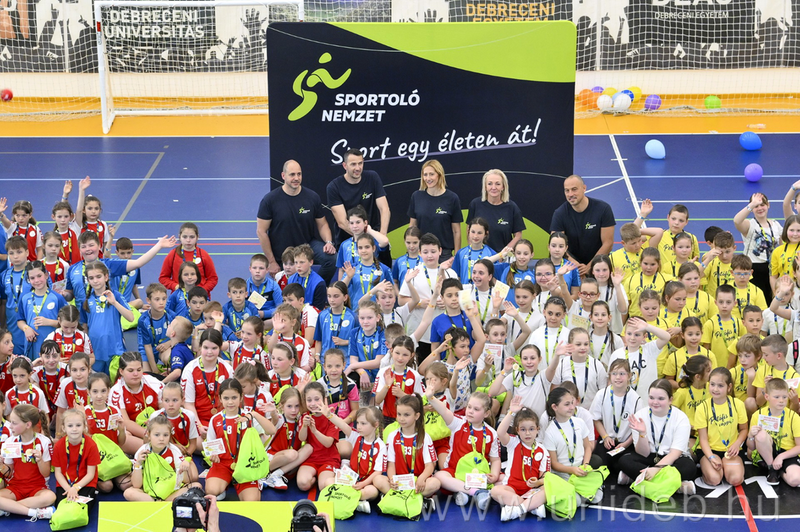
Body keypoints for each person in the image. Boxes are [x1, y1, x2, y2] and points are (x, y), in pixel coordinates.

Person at [256, 160, 336, 282]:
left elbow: (323, 224)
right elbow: (261, 232)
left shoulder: (312, 197)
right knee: (287, 290)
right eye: (292, 174)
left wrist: (329, 242)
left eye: (299, 174)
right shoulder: (269, 200)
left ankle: (315, 286)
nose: (296, 178)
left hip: (307, 246)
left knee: (331, 259)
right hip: (282, 252)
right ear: (283, 176)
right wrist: (271, 262)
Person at [327, 149, 391, 265]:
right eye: (353, 164)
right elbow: (342, 222)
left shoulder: (372, 177)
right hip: (349, 239)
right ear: (345, 165)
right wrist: (364, 241)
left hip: (373, 235)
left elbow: (384, 209)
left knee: (384, 265)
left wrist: (381, 236)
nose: (358, 168)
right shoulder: (334, 187)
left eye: (360, 163)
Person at [550, 175, 615, 275]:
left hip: (598, 265)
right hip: (571, 265)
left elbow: (608, 243)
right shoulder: (560, 214)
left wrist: (590, 267)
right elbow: (556, 244)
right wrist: (576, 267)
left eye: (574, 189)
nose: (570, 194)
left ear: (584, 188)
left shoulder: (603, 209)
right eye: (567, 190)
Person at [407, 160, 463, 260]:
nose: (428, 178)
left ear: (439, 175)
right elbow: (412, 227)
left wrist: (456, 256)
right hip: (421, 252)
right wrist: (411, 252)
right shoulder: (416, 196)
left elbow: (456, 231)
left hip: (444, 254)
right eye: (425, 174)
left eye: (431, 174)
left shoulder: (452, 198)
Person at [734, 192, 782, 300]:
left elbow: (781, 246)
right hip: (754, 268)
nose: (760, 208)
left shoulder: (776, 225)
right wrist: (751, 205)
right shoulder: (749, 224)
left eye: (762, 205)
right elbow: (737, 221)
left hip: (772, 269)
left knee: (771, 299)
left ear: (768, 205)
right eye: (756, 206)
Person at [467, 169, 525, 253]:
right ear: (485, 186)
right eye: (490, 184)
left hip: (503, 257)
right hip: (480, 256)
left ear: (503, 187)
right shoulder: (475, 204)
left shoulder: (512, 207)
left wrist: (503, 253)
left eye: (497, 184)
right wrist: (475, 252)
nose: (493, 187)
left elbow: (518, 235)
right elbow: (469, 231)